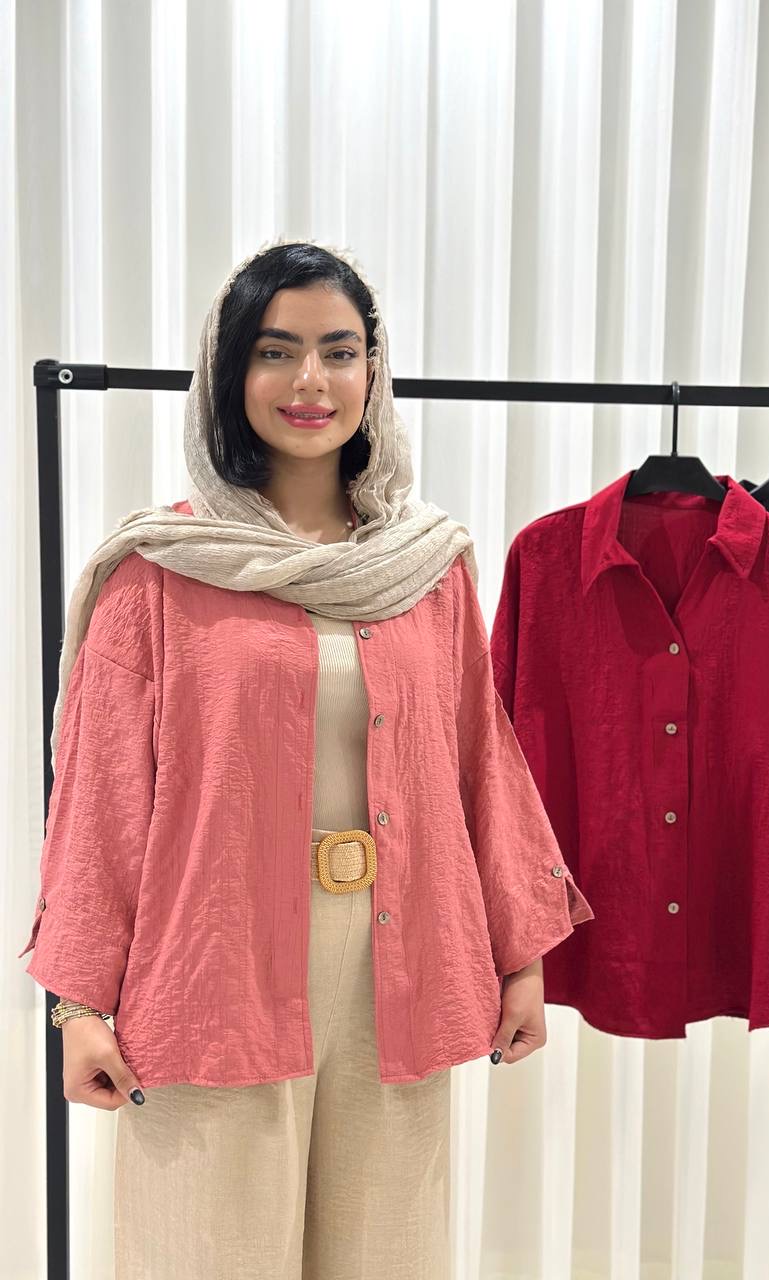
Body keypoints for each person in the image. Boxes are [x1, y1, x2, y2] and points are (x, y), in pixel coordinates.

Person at [18, 238, 594, 1279]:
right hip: (211, 964)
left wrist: (520, 954)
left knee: (390, 1255)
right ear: (228, 371)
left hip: (400, 961)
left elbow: (480, 760)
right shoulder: (160, 570)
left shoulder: (427, 567)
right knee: (206, 1255)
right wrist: (79, 1004)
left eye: (338, 350)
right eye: (275, 351)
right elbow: (102, 799)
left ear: (374, 368)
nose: (310, 381)